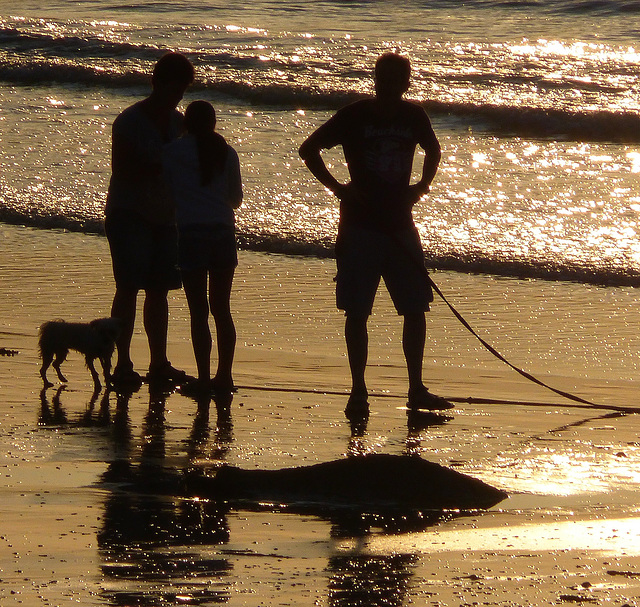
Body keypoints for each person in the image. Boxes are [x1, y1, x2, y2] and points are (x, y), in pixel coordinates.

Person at [299, 52, 454, 415]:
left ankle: (415, 388)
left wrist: (421, 187)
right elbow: (309, 149)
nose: (388, 84)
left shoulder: (414, 116)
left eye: (395, 79)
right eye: (383, 78)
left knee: (415, 307)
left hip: (400, 224)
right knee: (357, 310)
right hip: (360, 227)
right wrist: (340, 189)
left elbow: (433, 149)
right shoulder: (354, 114)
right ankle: (358, 391)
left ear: (405, 83)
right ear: (376, 80)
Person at [105, 51, 195, 387]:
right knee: (128, 288)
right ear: (155, 82)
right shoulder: (129, 121)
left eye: (182, 90)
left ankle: (158, 363)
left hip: (166, 216)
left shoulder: (180, 122)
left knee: (160, 291)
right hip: (129, 212)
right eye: (173, 89)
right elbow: (123, 170)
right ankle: (123, 363)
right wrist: (164, 166)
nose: (177, 96)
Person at [163, 100, 243, 396]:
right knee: (222, 309)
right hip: (222, 230)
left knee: (199, 310)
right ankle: (225, 377)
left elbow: (167, 194)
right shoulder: (226, 152)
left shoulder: (171, 152)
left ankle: (205, 378)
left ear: (186, 122)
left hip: (190, 232)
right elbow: (236, 199)